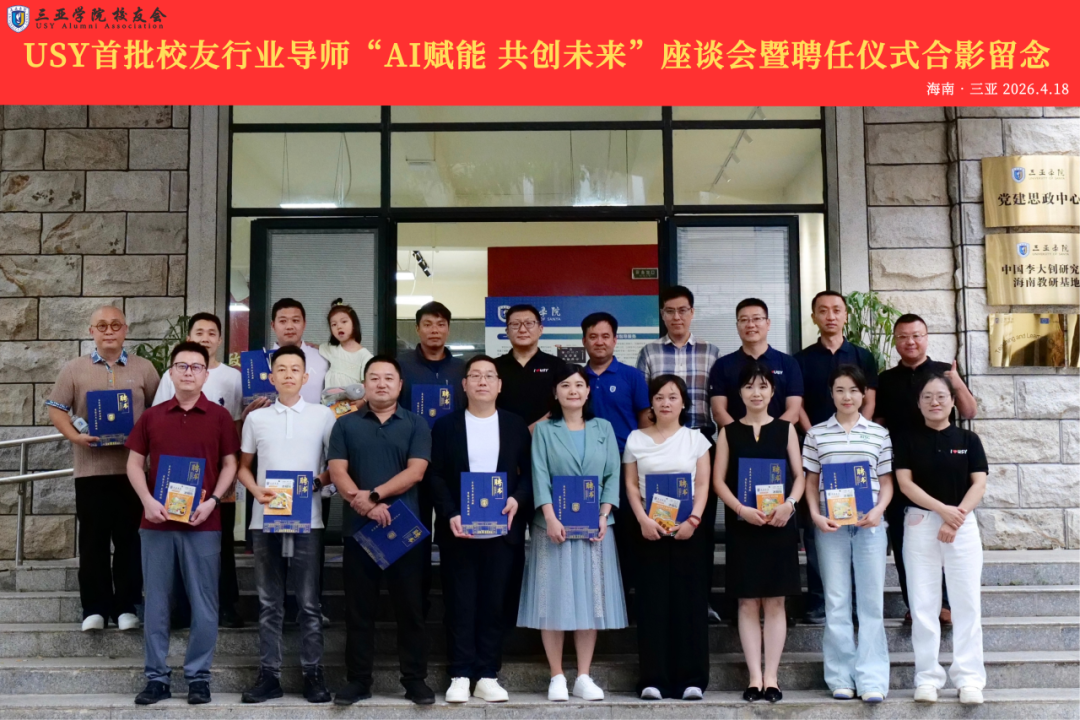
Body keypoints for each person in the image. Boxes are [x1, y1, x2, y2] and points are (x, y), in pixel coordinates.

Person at [124, 342, 241, 706]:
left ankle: (198, 677)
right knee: (157, 603)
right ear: (171, 373)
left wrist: (212, 501)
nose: (189, 372)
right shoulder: (152, 416)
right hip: (156, 523)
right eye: (182, 366)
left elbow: (231, 464)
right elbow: (133, 464)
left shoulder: (220, 417)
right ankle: (156, 678)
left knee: (205, 602)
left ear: (206, 374)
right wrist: (147, 501)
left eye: (196, 366)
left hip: (203, 522)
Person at [327, 355, 435, 706]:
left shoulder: (416, 423)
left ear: (400, 385)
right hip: (359, 531)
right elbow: (338, 471)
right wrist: (367, 506)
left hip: (406, 532)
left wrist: (374, 496)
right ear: (364, 384)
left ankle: (415, 680)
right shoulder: (345, 425)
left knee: (411, 609)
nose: (381, 383)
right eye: (374, 377)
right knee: (359, 611)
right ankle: (358, 681)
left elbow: (416, 472)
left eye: (389, 378)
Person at [46, 305, 159, 633]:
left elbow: (159, 409)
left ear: (126, 329)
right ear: (91, 331)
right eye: (102, 326)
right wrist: (75, 437)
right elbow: (56, 408)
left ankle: (125, 606)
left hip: (132, 471)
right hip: (91, 470)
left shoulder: (144, 368)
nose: (109, 331)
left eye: (115, 325)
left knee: (129, 541)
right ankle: (94, 608)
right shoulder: (74, 369)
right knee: (93, 541)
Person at [427, 355, 532, 704]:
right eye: (475, 376)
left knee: (494, 603)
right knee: (459, 603)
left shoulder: (515, 425)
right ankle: (459, 673)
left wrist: (517, 499)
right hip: (459, 531)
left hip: (502, 531)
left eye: (489, 376)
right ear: (465, 384)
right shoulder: (446, 426)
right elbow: (435, 476)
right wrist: (451, 513)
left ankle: (487, 674)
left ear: (499, 385)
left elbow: (530, 473)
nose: (482, 381)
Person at [236, 346, 337, 704]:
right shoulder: (257, 419)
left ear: (306, 377)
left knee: (309, 603)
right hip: (265, 519)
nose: (289, 374)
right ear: (271, 377)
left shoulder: (323, 415)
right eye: (282, 369)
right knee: (269, 602)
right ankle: (269, 675)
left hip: (309, 519)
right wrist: (255, 491)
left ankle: (313, 674)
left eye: (296, 369)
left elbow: (336, 466)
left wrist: (317, 482)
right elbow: (243, 467)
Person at [520, 364, 626, 703]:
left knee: (590, 601)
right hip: (553, 528)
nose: (573, 391)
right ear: (555, 392)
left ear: (588, 390)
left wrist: (604, 514)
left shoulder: (603, 428)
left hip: (595, 527)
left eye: (579, 385)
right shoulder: (544, 430)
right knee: (552, 599)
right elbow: (538, 475)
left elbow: (612, 475)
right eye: (565, 385)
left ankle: (582, 675)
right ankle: (556, 676)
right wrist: (550, 517)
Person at [875, 313, 978, 624]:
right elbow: (878, 422)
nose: (910, 342)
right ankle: (916, 604)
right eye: (903, 336)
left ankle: (945, 604)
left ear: (926, 337)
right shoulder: (886, 379)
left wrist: (955, 381)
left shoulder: (945, 371)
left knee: (947, 539)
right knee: (905, 542)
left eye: (916, 335)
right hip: (903, 470)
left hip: (945, 468)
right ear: (895, 341)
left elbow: (970, 411)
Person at [712, 361, 805, 704]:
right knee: (748, 601)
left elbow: (800, 476)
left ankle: (772, 677)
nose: (756, 393)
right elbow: (718, 481)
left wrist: (790, 505)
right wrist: (741, 510)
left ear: (772, 391)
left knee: (776, 601)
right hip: (744, 526)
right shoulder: (728, 432)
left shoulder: (786, 429)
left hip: (779, 525)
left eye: (763, 386)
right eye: (749, 386)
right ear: (739, 392)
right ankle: (754, 677)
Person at [894, 373, 988, 705]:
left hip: (963, 524)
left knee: (967, 603)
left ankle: (969, 679)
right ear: (918, 403)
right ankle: (927, 677)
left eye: (941, 396)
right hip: (920, 523)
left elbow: (978, 483)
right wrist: (941, 511)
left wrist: (955, 516)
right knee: (923, 605)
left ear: (952, 402)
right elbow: (905, 484)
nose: (935, 402)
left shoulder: (968, 439)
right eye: (927, 397)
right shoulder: (906, 439)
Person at [803, 364, 894, 704]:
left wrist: (878, 510)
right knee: (837, 600)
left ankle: (872, 679)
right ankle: (841, 677)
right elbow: (811, 481)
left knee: (870, 603)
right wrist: (815, 514)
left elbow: (886, 482)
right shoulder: (816, 434)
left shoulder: (878, 434)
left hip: (870, 527)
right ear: (831, 394)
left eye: (854, 390)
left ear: (864, 394)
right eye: (840, 390)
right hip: (831, 528)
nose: (847, 396)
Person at [153, 312, 246, 628]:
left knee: (221, 542)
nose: (205, 337)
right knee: (179, 538)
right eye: (199, 332)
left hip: (219, 474)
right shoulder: (172, 375)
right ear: (189, 337)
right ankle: (181, 608)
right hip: (180, 471)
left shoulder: (233, 377)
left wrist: (230, 471)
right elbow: (161, 418)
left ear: (220, 339)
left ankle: (226, 605)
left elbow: (235, 425)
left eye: (211, 333)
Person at [623, 374, 712, 701]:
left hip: (688, 531)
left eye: (672, 397)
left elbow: (702, 485)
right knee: (652, 603)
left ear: (683, 402)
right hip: (650, 530)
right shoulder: (636, 439)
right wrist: (643, 520)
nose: (665, 403)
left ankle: (692, 679)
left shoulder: (696, 440)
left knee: (689, 602)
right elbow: (631, 485)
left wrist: (694, 520)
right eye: (659, 397)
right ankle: (653, 679)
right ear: (651, 402)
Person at [636, 286, 722, 623]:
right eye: (670, 311)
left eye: (682, 310)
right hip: (659, 443)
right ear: (662, 315)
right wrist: (655, 440)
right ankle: (660, 600)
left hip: (699, 441)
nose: (676, 317)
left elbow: (717, 400)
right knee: (659, 521)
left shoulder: (711, 352)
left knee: (698, 527)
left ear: (692, 312)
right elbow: (644, 403)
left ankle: (702, 600)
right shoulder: (649, 352)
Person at [794, 291, 878, 625]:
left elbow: (869, 399)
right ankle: (819, 599)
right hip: (820, 451)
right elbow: (798, 404)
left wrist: (858, 433)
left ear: (846, 316)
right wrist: (816, 436)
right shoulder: (801, 360)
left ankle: (856, 600)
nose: (830, 316)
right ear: (814, 317)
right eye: (823, 311)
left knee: (857, 521)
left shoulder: (862, 356)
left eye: (837, 310)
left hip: (857, 452)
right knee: (819, 526)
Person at [397, 300, 466, 620]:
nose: (434, 330)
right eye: (427, 324)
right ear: (417, 329)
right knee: (416, 534)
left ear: (448, 329)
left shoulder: (462, 369)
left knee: (455, 532)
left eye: (440, 324)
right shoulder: (401, 367)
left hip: (454, 464)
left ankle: (456, 604)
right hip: (412, 462)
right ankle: (417, 605)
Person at [581, 312, 650, 616]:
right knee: (590, 532)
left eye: (605, 336)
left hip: (625, 466)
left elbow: (645, 421)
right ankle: (594, 598)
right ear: (584, 341)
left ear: (615, 340)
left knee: (626, 533)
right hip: (585, 469)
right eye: (593, 336)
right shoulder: (577, 379)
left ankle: (627, 599)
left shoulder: (631, 377)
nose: (599, 342)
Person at [494, 304, 566, 431]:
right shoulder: (494, 366)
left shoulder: (557, 365)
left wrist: (535, 429)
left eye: (529, 323)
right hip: (504, 435)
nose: (522, 329)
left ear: (540, 329)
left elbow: (565, 402)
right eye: (515, 324)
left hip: (547, 435)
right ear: (507, 332)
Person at [268, 298, 330, 406]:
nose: (289, 327)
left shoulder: (322, 358)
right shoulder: (258, 363)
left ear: (304, 324)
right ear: (273, 325)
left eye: (295, 320)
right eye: (282, 321)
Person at [319, 299, 374, 389]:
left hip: (352, 398)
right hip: (330, 398)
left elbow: (367, 387)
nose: (339, 326)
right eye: (334, 324)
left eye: (344, 322)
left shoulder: (365, 356)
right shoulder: (332, 349)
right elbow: (314, 347)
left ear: (354, 324)